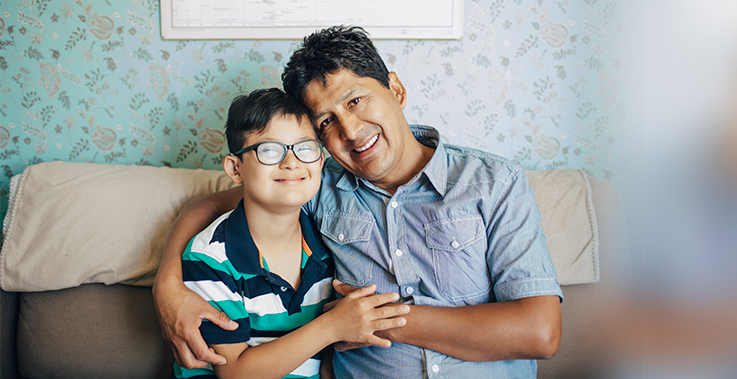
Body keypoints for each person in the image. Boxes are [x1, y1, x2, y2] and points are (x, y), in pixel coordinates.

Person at [154, 26, 563, 378]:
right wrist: (167, 285)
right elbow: (211, 206)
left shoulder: (493, 182)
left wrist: (375, 322)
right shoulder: (315, 185)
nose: (349, 130)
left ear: (396, 89)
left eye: (355, 101)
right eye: (327, 122)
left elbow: (540, 332)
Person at [173, 88, 407, 379]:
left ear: (321, 162)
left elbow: (323, 362)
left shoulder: (326, 246)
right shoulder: (212, 257)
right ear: (236, 168)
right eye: (270, 150)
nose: (291, 162)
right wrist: (332, 326)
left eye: (305, 148)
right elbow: (234, 373)